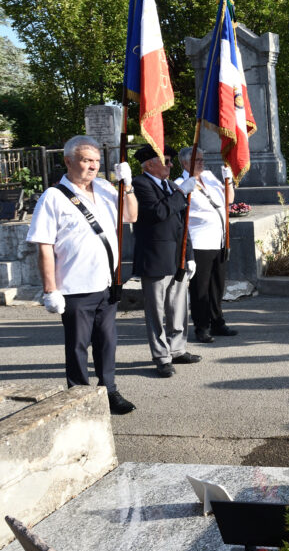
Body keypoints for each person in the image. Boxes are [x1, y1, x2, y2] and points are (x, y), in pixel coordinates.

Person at [26, 136, 138, 414]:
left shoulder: (104, 187)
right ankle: (79, 397)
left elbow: (131, 216)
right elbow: (45, 246)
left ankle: (109, 390)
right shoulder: (53, 197)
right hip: (74, 287)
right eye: (86, 160)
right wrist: (50, 290)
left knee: (107, 342)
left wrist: (128, 187)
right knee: (77, 347)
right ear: (68, 161)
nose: (92, 167)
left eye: (96, 161)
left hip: (107, 283)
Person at [133, 144, 201, 377]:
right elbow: (158, 213)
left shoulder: (171, 186)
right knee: (156, 312)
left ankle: (178, 349)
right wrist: (181, 193)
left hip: (177, 256)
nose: (171, 165)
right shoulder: (140, 184)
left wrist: (190, 256)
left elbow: (184, 225)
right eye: (167, 161)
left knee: (179, 307)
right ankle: (162, 356)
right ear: (150, 164)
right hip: (154, 258)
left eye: (171, 161)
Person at [174, 148, 237, 343]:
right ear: (185, 163)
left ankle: (218, 322)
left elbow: (229, 200)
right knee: (200, 288)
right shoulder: (179, 184)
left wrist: (229, 181)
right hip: (199, 241)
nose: (202, 163)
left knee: (217, 285)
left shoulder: (209, 177)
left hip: (218, 239)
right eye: (197, 160)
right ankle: (201, 327)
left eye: (203, 159)